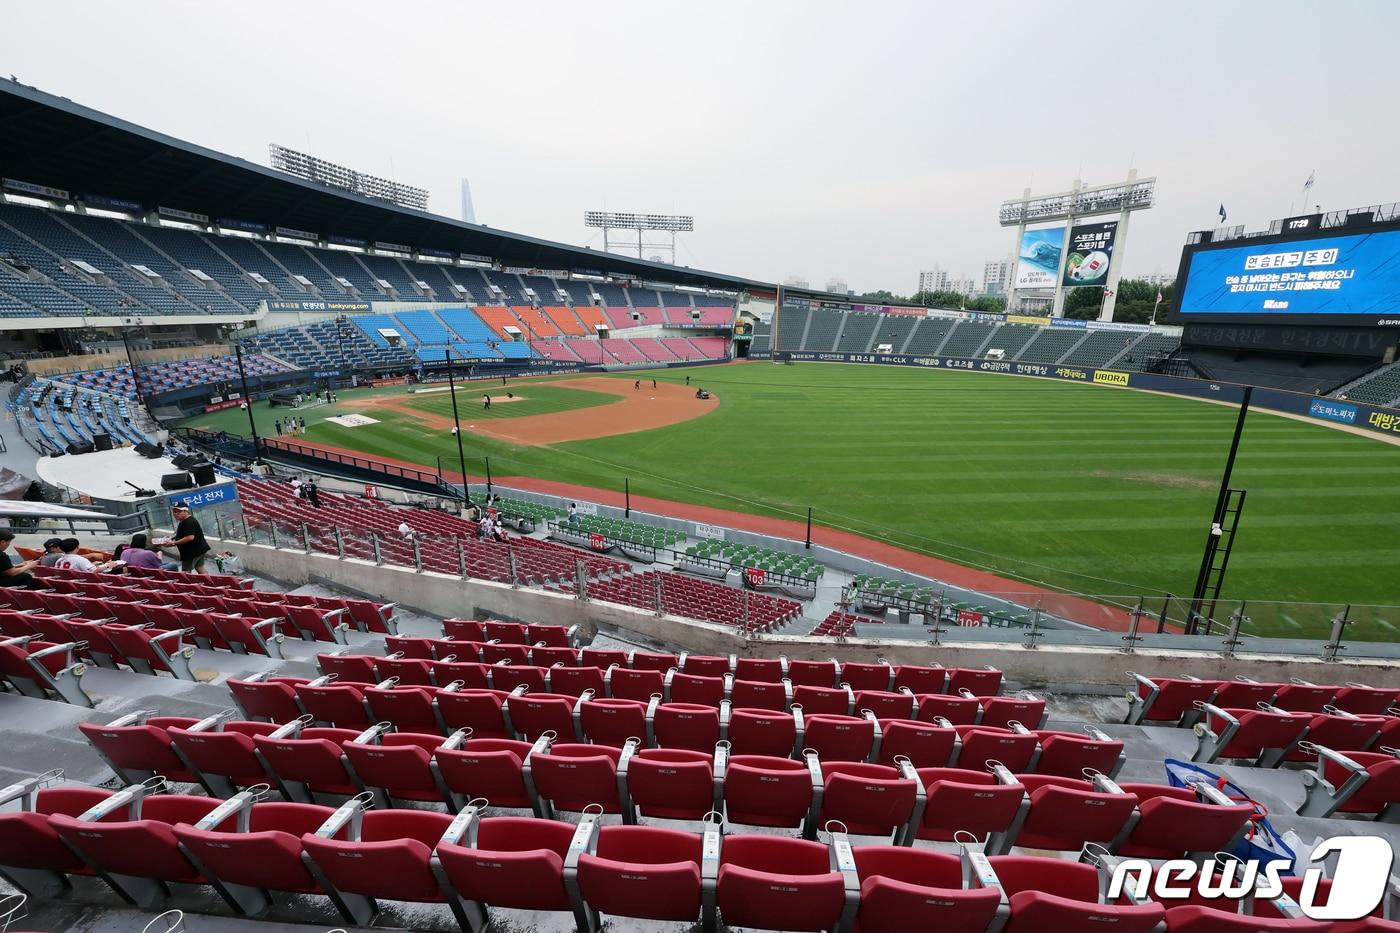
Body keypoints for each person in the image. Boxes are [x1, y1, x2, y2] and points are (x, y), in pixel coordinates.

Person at [164, 504, 210, 573]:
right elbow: (183, 533)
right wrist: (172, 538)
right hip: (199, 549)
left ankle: (188, 583)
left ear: (186, 511)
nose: (176, 514)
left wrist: (173, 543)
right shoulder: (184, 520)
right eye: (174, 512)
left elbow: (189, 537)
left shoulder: (189, 522)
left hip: (191, 552)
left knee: (186, 573)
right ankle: (210, 583)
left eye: (179, 512)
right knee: (199, 567)